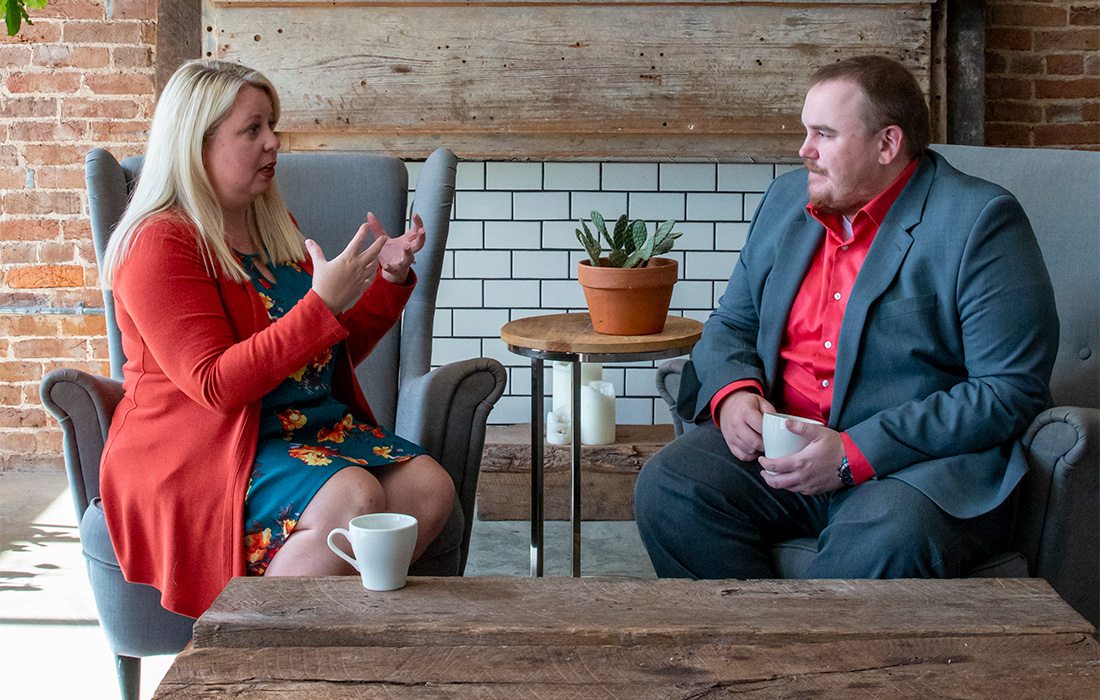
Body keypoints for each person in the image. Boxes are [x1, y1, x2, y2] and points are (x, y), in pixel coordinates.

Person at [633, 55, 1059, 580]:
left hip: (911, 468)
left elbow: (1009, 390)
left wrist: (853, 452)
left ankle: (817, 661)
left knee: (882, 541)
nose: (803, 151)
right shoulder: (785, 199)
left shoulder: (980, 221)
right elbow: (731, 324)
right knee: (669, 486)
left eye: (824, 134)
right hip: (782, 448)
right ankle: (752, 650)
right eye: (805, 132)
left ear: (887, 144)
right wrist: (733, 394)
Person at [98, 59, 456, 618]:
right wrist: (322, 304)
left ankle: (334, 647)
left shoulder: (269, 226)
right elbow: (215, 384)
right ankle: (252, 654)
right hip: (203, 445)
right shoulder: (158, 244)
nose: (274, 142)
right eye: (253, 129)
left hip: (292, 429)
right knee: (353, 498)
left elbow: (315, 360)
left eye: (273, 125)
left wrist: (384, 281)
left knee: (428, 490)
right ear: (198, 142)